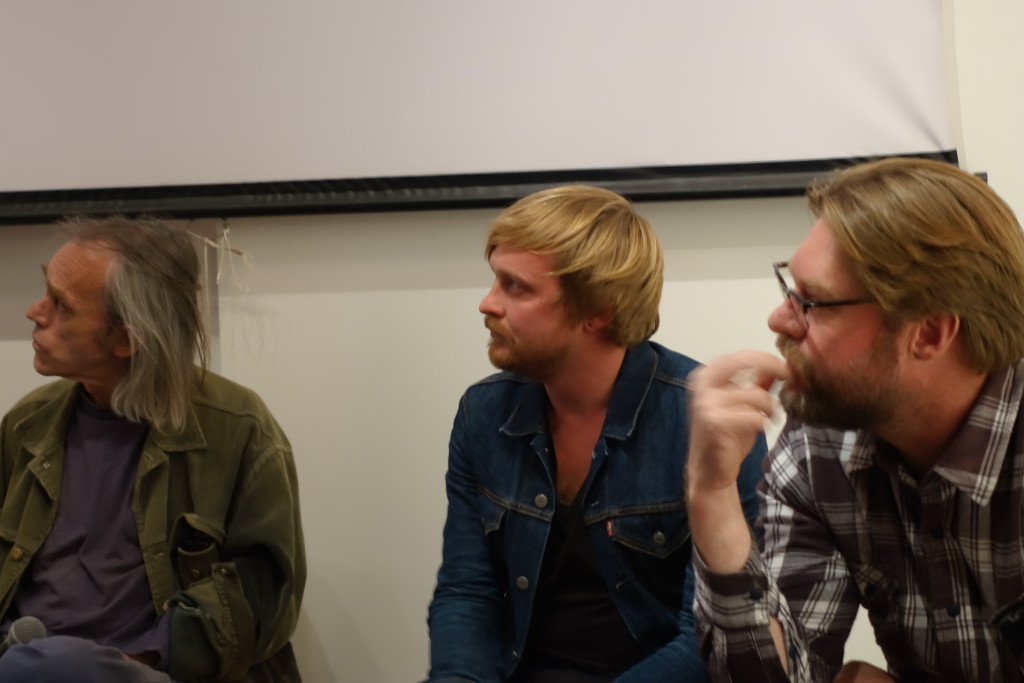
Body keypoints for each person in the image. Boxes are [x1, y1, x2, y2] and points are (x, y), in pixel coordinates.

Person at [685, 157, 1024, 682]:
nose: (779, 319)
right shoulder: (818, 448)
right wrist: (713, 497)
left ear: (930, 335)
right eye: (788, 288)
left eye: (813, 302)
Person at [425, 185, 768, 682]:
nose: (487, 303)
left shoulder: (705, 425)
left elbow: (712, 638)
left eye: (514, 286)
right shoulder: (485, 412)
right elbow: (467, 589)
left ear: (600, 309)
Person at [0, 216, 306, 682]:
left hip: (153, 672)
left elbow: (264, 601)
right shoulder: (28, 423)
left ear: (125, 338)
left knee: (59, 667)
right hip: (26, 661)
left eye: (61, 305)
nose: (34, 312)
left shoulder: (240, 428)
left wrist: (138, 662)